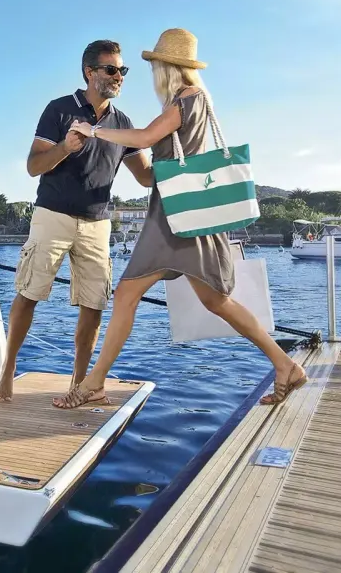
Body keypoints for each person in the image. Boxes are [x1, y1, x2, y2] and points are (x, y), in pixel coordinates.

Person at [51, 28, 307, 409]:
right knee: (215, 302)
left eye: (156, 66)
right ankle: (286, 365)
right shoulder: (189, 100)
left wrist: (94, 131)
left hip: (175, 217)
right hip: (181, 215)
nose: (152, 73)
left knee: (130, 294)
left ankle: (93, 383)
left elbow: (145, 138)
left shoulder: (189, 98)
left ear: (167, 66)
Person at [0, 39, 154, 401]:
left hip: (97, 224)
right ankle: (8, 369)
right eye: (111, 69)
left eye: (122, 70)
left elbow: (146, 177)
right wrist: (65, 147)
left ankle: (79, 385)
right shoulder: (60, 109)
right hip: (53, 215)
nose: (119, 76)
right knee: (29, 294)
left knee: (94, 304)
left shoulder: (122, 124)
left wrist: (181, 161)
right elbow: (33, 166)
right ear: (89, 72)